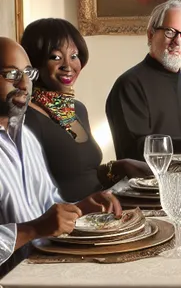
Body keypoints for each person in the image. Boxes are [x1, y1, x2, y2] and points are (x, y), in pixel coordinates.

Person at [0, 37, 121, 269]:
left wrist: (81, 208)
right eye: (12, 75)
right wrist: (32, 230)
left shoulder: (25, 138)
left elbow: (48, 205)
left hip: (46, 268)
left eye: (27, 74)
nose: (24, 85)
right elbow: (39, 225)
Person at [20, 19, 150, 202]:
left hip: (102, 211)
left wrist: (119, 167)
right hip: (69, 222)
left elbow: (83, 173)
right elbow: (31, 195)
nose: (68, 66)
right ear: (34, 61)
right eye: (55, 57)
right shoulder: (26, 117)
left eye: (74, 56)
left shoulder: (77, 109)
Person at [106, 0, 181, 160]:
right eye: (170, 31)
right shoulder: (129, 85)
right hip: (143, 184)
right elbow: (135, 149)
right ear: (151, 34)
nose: (178, 41)